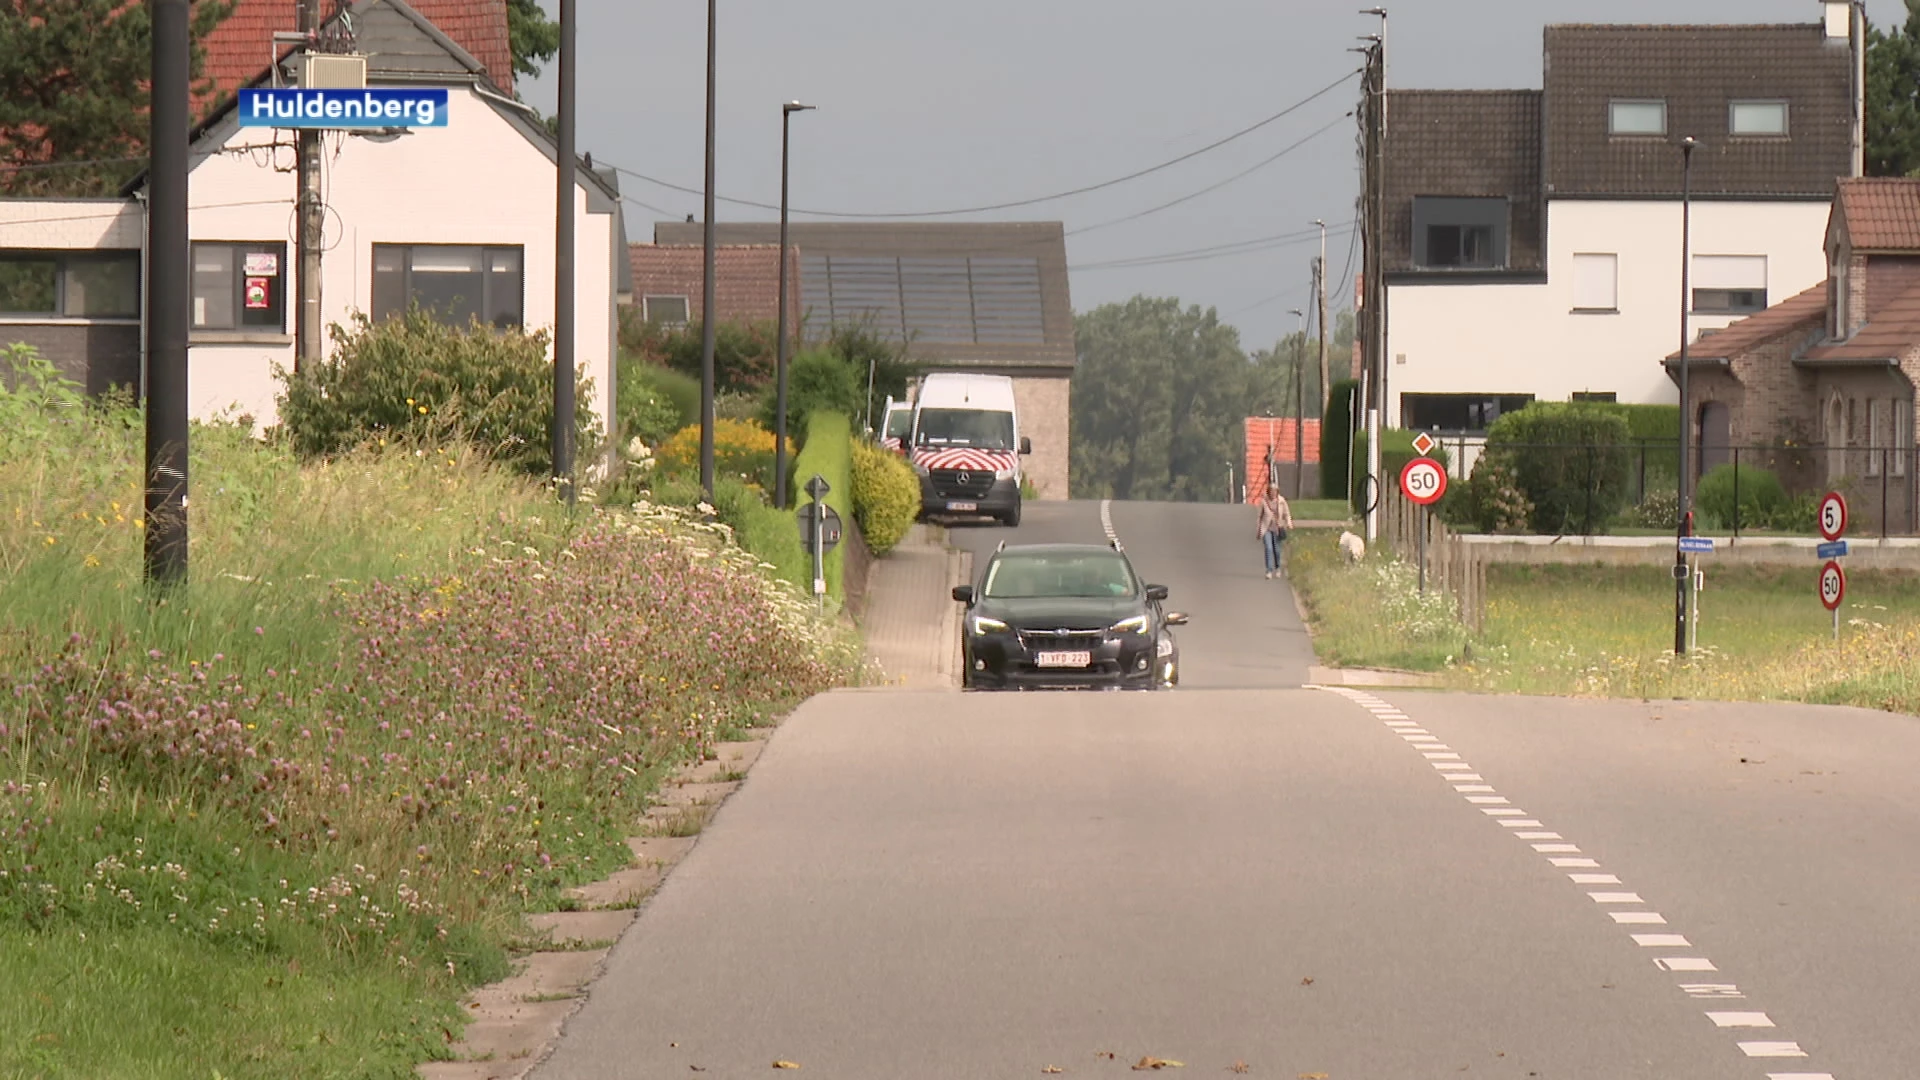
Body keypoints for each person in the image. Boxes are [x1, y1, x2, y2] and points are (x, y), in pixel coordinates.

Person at [1256, 483, 1293, 579]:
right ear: (1269, 491)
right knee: (1268, 548)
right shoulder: (1264, 501)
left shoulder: (1281, 501)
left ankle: (1278, 568)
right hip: (1266, 528)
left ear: (1277, 492)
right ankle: (1268, 571)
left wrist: (1289, 523)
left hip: (1277, 528)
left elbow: (1286, 513)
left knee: (1277, 550)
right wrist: (1259, 530)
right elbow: (1259, 516)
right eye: (1271, 491)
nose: (1273, 493)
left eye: (1275, 491)